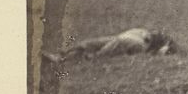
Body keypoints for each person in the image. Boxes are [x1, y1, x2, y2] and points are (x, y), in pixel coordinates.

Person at [44, 27, 179, 62]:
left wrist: (163, 46)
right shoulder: (144, 33)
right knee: (88, 44)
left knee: (95, 51)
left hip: (127, 41)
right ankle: (62, 56)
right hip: (123, 38)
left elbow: (158, 48)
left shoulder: (144, 43)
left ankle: (63, 58)